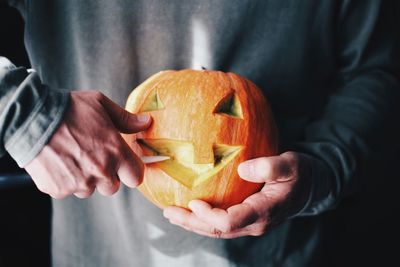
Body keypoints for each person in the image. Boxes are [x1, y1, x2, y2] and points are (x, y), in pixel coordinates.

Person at [1, 0, 399, 266]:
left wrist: (325, 169)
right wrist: (19, 110)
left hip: (284, 249)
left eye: (227, 109)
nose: (196, 148)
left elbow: (376, 67)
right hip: (102, 248)